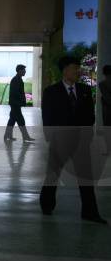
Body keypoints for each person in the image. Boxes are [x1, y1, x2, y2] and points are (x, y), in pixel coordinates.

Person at [40, 56, 106, 224]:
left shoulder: (84, 90)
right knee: (52, 175)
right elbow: (47, 118)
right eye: (74, 68)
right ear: (65, 70)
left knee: (86, 178)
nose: (78, 71)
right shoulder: (51, 92)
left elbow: (90, 117)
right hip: (59, 142)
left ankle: (90, 212)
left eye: (79, 68)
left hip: (81, 143)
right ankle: (47, 205)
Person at [4, 64, 35, 142]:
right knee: (21, 120)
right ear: (19, 71)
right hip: (15, 104)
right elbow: (16, 93)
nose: (25, 71)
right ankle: (25, 136)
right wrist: (22, 101)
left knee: (12, 120)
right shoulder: (16, 80)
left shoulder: (18, 79)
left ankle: (7, 135)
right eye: (23, 70)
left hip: (15, 103)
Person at [99, 65, 111, 154]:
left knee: (107, 130)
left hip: (107, 111)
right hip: (107, 110)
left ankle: (108, 149)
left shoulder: (102, 84)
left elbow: (107, 99)